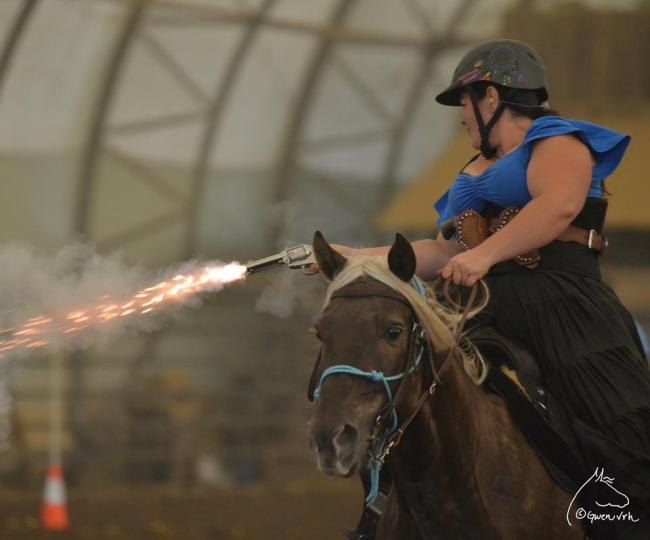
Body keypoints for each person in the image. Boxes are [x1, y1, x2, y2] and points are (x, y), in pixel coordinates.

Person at [326, 39, 650, 540]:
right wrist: (353, 257)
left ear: (491, 98)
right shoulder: (468, 172)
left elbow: (558, 208)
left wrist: (483, 255)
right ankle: (380, 513)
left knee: (615, 425)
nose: (462, 118)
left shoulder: (557, 141)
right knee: (412, 400)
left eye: (465, 104)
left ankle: (624, 523)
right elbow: (442, 252)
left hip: (561, 306)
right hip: (477, 308)